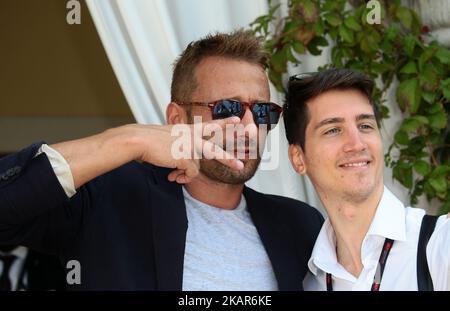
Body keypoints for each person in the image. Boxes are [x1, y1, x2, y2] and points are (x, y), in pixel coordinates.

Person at [0, 30, 323, 290]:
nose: (250, 128)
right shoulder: (108, 198)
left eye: (263, 111)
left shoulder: (299, 225)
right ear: (177, 118)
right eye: (228, 109)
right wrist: (129, 140)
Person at [283, 68, 450, 291]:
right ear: (298, 158)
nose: (357, 143)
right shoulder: (312, 282)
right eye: (333, 130)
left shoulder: (440, 246)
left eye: (365, 126)